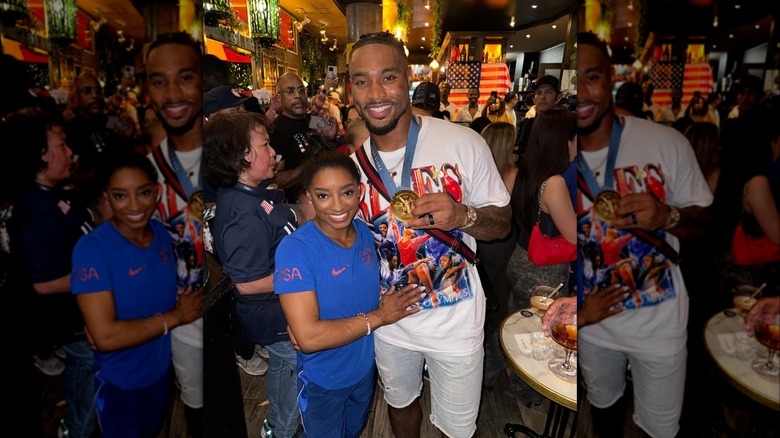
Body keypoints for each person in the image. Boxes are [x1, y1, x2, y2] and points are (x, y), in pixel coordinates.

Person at [348, 31, 512, 437]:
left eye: (387, 77)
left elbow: (503, 224)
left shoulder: (463, 142)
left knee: (457, 429)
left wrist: (463, 215)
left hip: (456, 324)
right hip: (391, 323)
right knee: (400, 405)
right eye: (361, 80)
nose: (375, 92)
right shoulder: (350, 169)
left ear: (408, 78)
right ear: (349, 89)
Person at [576, 32, 713, 438]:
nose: (583, 92)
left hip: (660, 324)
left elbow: (708, 226)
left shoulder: (665, 143)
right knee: (603, 410)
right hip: (593, 326)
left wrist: (666, 216)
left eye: (593, 77)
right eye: (575, 79)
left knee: (660, 429)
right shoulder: (560, 158)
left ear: (611, 79)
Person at [273, 149, 424, 436]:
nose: (337, 205)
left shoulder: (365, 232)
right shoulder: (296, 249)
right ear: (308, 196)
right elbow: (308, 337)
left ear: (360, 191)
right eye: (322, 195)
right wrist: (379, 316)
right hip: (323, 381)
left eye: (346, 192)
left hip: (364, 370)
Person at [70, 149, 202, 438]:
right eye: (120, 196)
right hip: (119, 385)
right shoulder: (92, 250)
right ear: (106, 196)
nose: (134, 206)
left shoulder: (162, 233)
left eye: (142, 193)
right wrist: (175, 317)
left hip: (160, 375)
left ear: (155, 192)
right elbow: (105, 337)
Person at [204, 111, 302, 437]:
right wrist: (308, 275)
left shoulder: (251, 193)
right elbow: (246, 285)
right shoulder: (240, 214)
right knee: (296, 369)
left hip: (279, 309)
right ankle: (284, 430)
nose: (274, 151)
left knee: (281, 366)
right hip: (275, 315)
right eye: (265, 144)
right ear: (242, 157)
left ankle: (274, 426)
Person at [6, 109, 97, 438]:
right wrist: (100, 279)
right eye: (60, 145)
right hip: (70, 316)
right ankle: (77, 429)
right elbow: (42, 283)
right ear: (39, 156)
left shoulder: (54, 193)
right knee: (86, 363)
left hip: (80, 310)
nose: (69, 151)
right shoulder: (36, 211)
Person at [144, 31, 205, 438]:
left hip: (235, 322)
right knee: (196, 412)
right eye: (158, 80)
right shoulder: (144, 175)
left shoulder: (230, 154)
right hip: (184, 324)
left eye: (184, 77)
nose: (172, 93)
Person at [270, 73, 339, 190]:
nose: (297, 95)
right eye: (290, 91)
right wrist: (309, 165)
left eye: (301, 90)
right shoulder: (275, 130)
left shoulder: (313, 121)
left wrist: (331, 138)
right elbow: (275, 180)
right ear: (279, 98)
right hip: (298, 204)